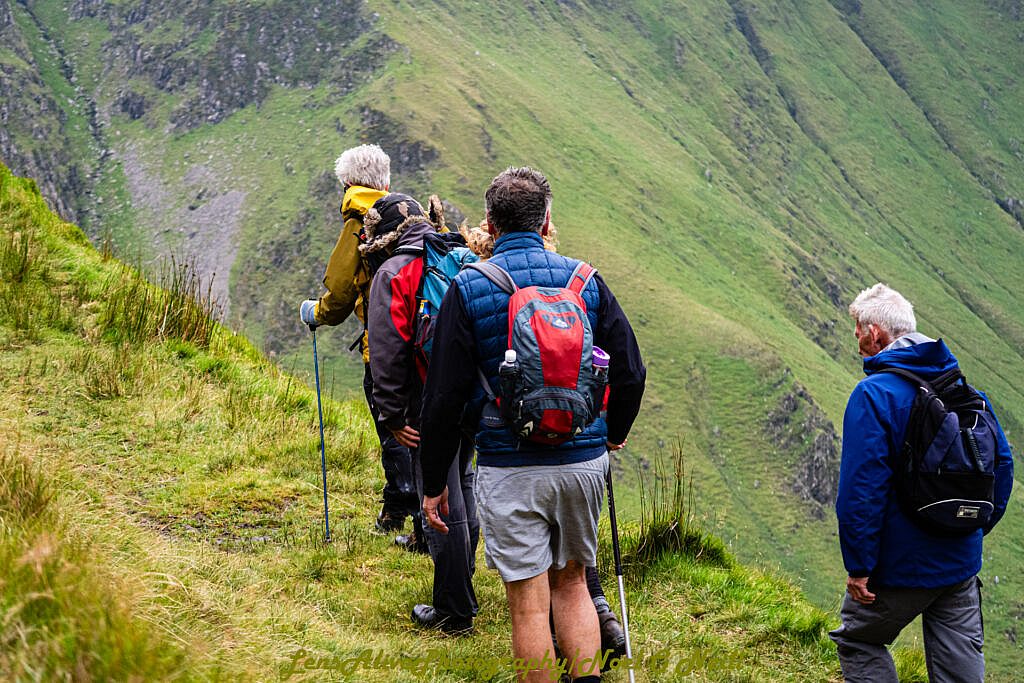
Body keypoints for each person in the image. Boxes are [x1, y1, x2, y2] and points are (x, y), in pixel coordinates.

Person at [419, 167, 646, 682]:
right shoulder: (584, 281)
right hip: (582, 461)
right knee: (572, 585)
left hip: (508, 464)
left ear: (490, 225)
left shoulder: (469, 287)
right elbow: (631, 369)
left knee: (527, 604)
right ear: (546, 220)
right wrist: (611, 432)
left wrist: (434, 483)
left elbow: (443, 397)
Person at [830, 283, 1014, 682]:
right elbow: (1002, 464)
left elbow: (860, 491)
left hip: (900, 568)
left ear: (876, 333)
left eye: (858, 328)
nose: (856, 337)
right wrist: (969, 529)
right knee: (960, 673)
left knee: (858, 641)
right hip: (960, 563)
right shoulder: (962, 389)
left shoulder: (874, 395)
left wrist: (859, 566)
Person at [362, 192, 480, 633]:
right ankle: (462, 585)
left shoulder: (394, 272)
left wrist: (392, 414)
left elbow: (387, 352)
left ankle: (454, 609)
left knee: (439, 497)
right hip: (471, 396)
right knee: (464, 482)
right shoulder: (461, 254)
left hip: (425, 403)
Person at [298, 144, 419, 538]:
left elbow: (339, 290)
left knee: (393, 427)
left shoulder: (359, 220)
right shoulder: (410, 217)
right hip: (426, 341)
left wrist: (314, 313)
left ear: (348, 184)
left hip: (384, 345)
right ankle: (420, 518)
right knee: (421, 428)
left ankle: (401, 508)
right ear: (386, 181)